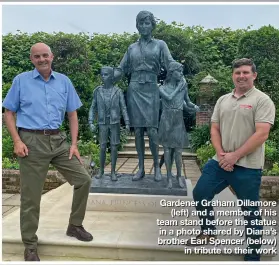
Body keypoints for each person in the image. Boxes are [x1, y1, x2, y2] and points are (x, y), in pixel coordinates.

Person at [3, 43, 93, 262]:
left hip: (58, 140)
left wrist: (73, 144)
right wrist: (17, 141)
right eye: (37, 56)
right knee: (31, 197)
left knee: (84, 179)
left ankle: (75, 225)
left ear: (52, 57)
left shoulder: (64, 81)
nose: (42, 59)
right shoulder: (21, 81)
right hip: (31, 141)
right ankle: (30, 244)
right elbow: (9, 113)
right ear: (31, 59)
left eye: (45, 55)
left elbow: (72, 115)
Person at [186, 58, 275, 261]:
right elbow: (214, 128)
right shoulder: (223, 100)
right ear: (232, 75)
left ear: (254, 75)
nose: (241, 76)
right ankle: (208, 231)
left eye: (245, 72)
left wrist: (235, 156)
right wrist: (222, 154)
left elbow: (262, 134)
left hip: (248, 166)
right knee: (201, 192)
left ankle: (253, 255)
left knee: (250, 211)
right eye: (237, 73)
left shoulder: (262, 100)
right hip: (220, 162)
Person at [114, 10, 175, 182]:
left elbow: (169, 63)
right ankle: (140, 168)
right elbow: (121, 68)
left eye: (147, 23)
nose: (144, 26)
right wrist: (111, 75)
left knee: (153, 130)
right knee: (139, 130)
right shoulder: (131, 48)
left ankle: (156, 166)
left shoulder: (160, 45)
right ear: (137, 26)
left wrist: (176, 69)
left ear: (152, 25)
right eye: (141, 23)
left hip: (151, 88)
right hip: (134, 89)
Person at [158, 61, 199, 189]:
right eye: (179, 71)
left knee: (178, 152)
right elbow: (169, 98)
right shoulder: (161, 87)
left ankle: (179, 176)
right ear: (171, 73)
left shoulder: (183, 87)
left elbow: (187, 103)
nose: (181, 74)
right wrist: (179, 88)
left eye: (182, 72)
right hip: (166, 120)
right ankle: (169, 177)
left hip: (178, 119)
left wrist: (194, 108)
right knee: (167, 150)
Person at [88, 66, 130, 181]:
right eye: (102, 74)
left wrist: (127, 122)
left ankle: (113, 172)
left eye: (105, 74)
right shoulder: (98, 91)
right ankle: (101, 171)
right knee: (102, 146)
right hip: (102, 123)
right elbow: (93, 107)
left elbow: (123, 108)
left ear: (111, 77)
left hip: (114, 122)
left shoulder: (118, 91)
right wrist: (91, 121)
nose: (103, 77)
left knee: (114, 146)